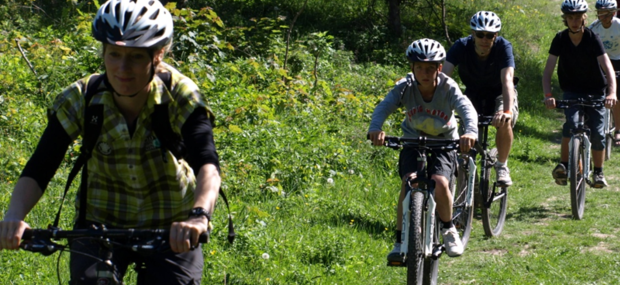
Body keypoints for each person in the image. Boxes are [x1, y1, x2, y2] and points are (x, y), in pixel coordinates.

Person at [0, 0, 221, 284]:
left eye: (136, 57)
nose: (122, 68)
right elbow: (42, 165)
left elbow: (208, 164)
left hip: (171, 224)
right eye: (114, 55)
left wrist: (199, 216)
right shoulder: (83, 98)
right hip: (99, 224)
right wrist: (14, 216)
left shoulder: (180, 96)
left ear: (158, 55)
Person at [368, 38, 478, 260]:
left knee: (440, 182)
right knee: (408, 180)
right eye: (419, 67)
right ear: (412, 68)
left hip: (444, 141)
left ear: (439, 68)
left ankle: (448, 229)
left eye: (430, 68)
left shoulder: (448, 87)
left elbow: (466, 108)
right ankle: (400, 241)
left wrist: (470, 132)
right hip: (413, 139)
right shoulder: (404, 86)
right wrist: (375, 128)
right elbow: (384, 106)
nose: (424, 73)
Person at [543, 0, 617, 188]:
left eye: (578, 17)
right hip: (572, 90)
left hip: (595, 91)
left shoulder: (592, 37)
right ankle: (564, 164)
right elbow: (548, 70)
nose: (574, 21)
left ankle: (598, 173)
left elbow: (607, 67)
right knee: (571, 125)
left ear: (584, 17)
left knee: (598, 134)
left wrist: (611, 93)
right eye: (570, 18)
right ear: (565, 19)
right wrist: (548, 95)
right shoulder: (560, 39)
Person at [442, 11, 518, 187]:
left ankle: (502, 165)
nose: (485, 39)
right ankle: (467, 180)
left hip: (500, 93)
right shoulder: (461, 46)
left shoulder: (503, 47)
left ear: (495, 36)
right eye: (480, 34)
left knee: (504, 119)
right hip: (473, 94)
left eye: (489, 35)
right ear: (473, 34)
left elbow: (507, 80)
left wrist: (506, 111)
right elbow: (443, 78)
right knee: (465, 138)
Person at [590, 0, 620, 146]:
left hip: (618, 59)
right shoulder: (594, 28)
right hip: (602, 60)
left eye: (606, 14)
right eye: (599, 13)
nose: (602, 17)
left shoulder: (619, 26)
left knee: (616, 96)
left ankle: (618, 129)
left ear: (613, 14)